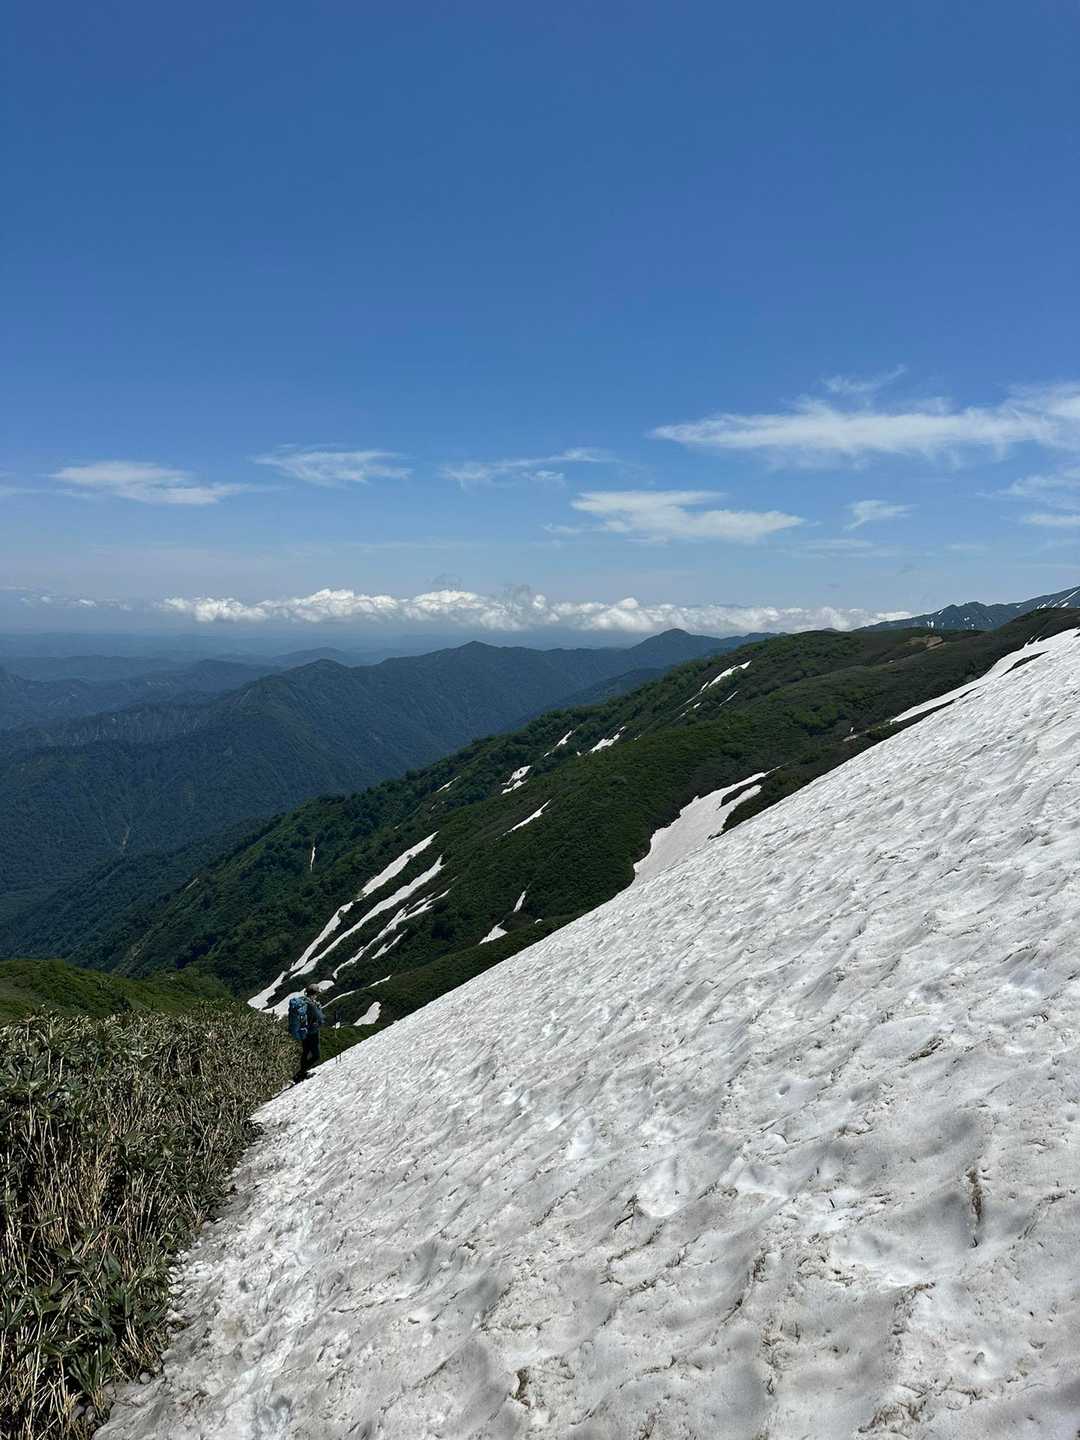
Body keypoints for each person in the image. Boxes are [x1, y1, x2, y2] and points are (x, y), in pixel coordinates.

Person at [288, 984, 325, 1081]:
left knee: (305, 1052)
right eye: (316, 994)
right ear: (314, 994)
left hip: (304, 1032)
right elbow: (320, 1018)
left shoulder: (303, 1001)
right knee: (316, 1056)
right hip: (313, 1032)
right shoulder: (311, 1004)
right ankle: (300, 1074)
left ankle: (302, 1074)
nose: (317, 996)